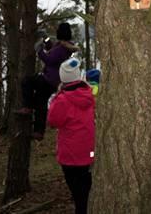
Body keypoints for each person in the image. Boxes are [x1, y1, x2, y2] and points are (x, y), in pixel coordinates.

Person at [48, 57, 95, 214]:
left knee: (78, 194)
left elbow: (53, 121)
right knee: (86, 190)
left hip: (70, 156)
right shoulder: (89, 93)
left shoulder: (61, 100)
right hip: (90, 153)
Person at [17, 22, 79, 141]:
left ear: (60, 33)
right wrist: (45, 38)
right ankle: (39, 132)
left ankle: (27, 107)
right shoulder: (65, 46)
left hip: (49, 79)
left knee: (27, 81)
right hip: (54, 82)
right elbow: (51, 48)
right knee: (41, 102)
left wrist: (39, 51)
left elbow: (49, 59)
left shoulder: (62, 48)